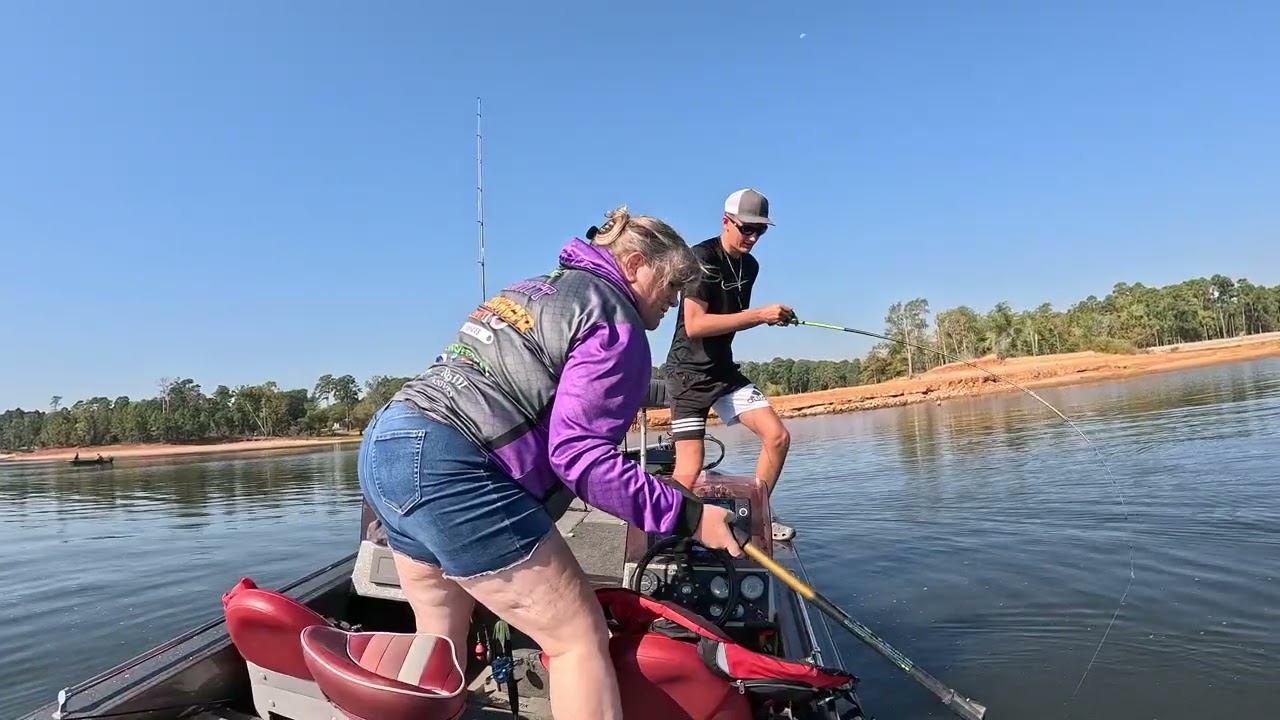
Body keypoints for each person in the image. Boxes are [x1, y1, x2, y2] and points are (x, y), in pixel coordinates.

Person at [358, 207, 743, 720]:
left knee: (437, 630)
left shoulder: (535, 288)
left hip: (388, 445)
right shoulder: (614, 318)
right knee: (577, 641)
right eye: (671, 284)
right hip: (453, 466)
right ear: (634, 264)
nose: (675, 300)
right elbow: (580, 458)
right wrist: (693, 517)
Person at [663, 188, 797, 540]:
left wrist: (770, 318)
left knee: (778, 437)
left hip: (723, 371)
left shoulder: (750, 266)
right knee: (689, 468)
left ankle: (756, 517)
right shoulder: (700, 259)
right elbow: (695, 325)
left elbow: (733, 318)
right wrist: (758, 315)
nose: (752, 238)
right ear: (726, 222)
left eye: (760, 231)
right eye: (746, 229)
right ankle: (671, 534)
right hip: (688, 373)